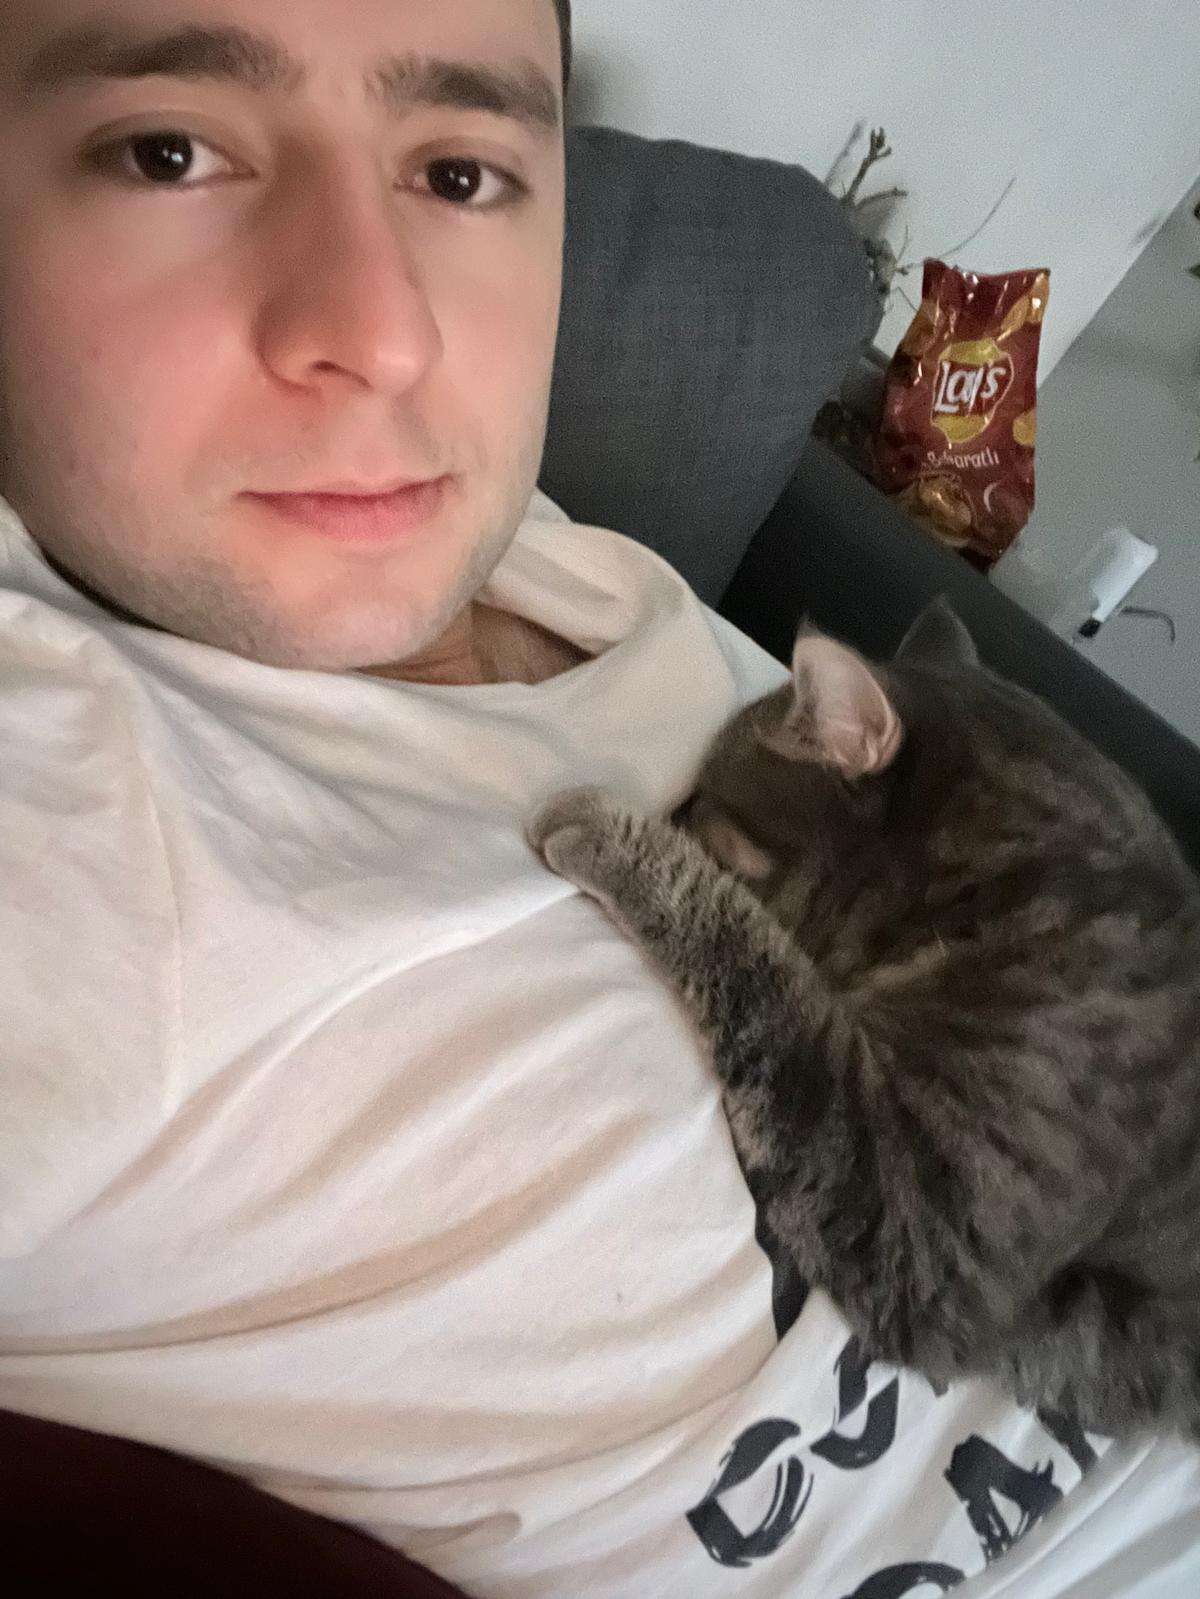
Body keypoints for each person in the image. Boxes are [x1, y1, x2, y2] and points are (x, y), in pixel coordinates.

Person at [0, 2, 1197, 1596]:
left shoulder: (568, 563)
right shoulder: (61, 804)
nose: (388, 331)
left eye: (461, 173)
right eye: (167, 152)